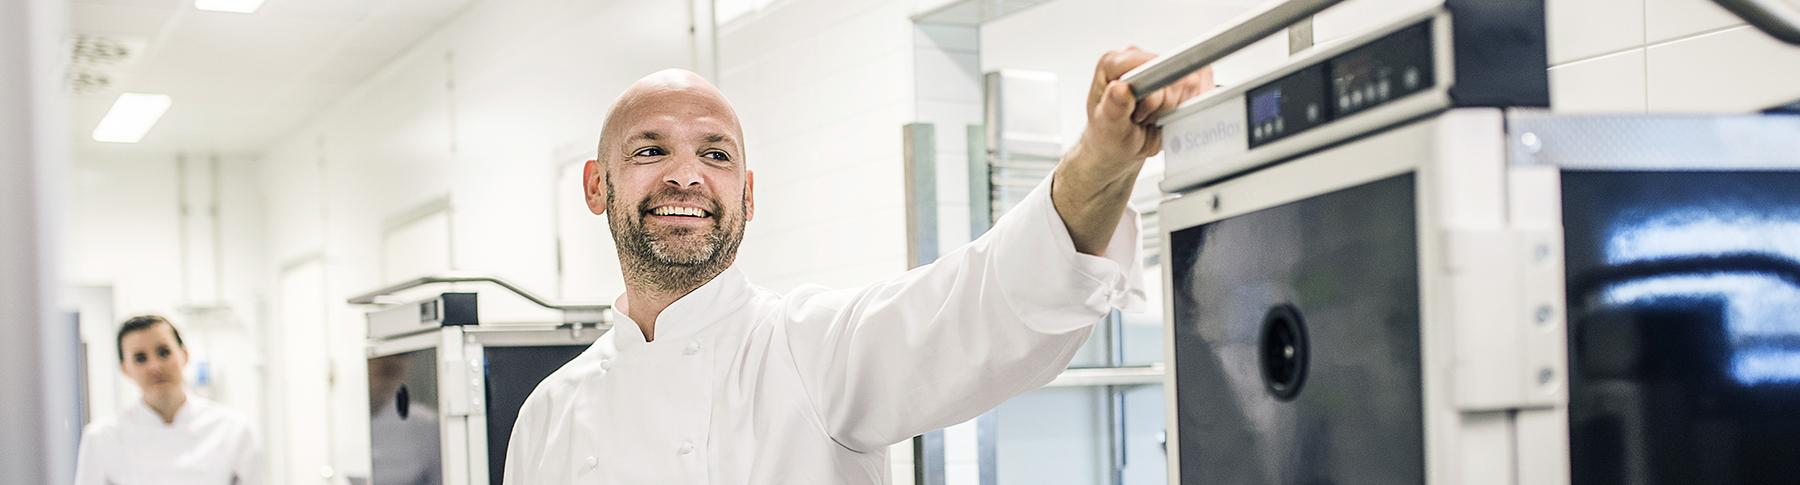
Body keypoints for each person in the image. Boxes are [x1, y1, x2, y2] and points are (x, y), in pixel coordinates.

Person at [503, 48, 1211, 484]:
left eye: (715, 154)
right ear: (597, 184)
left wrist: (1100, 163)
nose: (686, 176)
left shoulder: (809, 350)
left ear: (747, 196)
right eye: (651, 150)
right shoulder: (548, 416)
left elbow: (982, 307)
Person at [74, 315, 262, 485]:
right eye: (140, 358)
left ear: (184, 355)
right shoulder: (102, 438)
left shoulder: (231, 429)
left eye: (164, 352)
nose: (155, 366)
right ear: (125, 369)